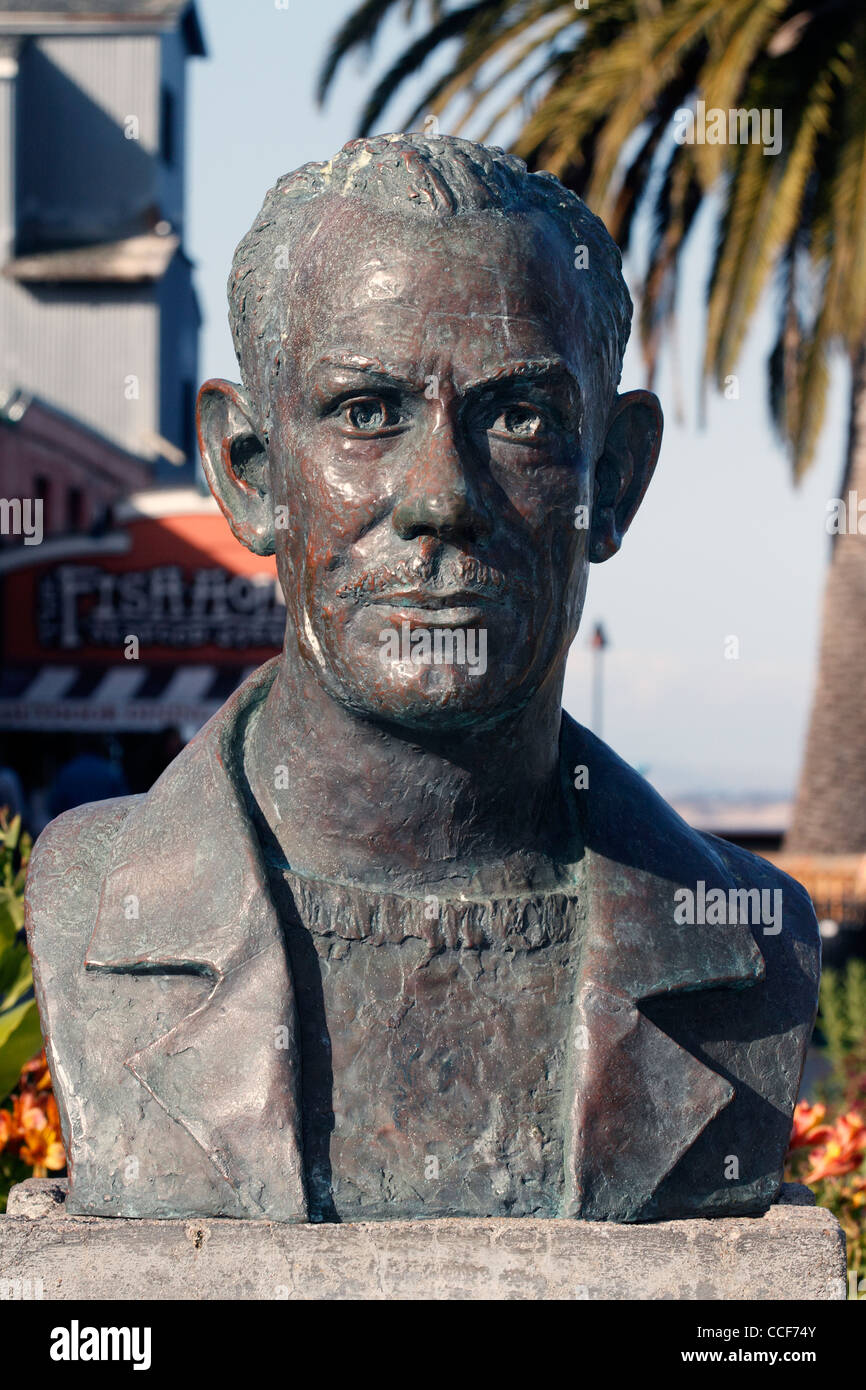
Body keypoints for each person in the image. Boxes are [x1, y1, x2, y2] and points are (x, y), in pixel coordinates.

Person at [26, 135, 818, 1224]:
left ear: (616, 477)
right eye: (366, 412)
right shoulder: (93, 905)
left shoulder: (747, 940)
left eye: (520, 415)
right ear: (249, 474)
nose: (440, 495)